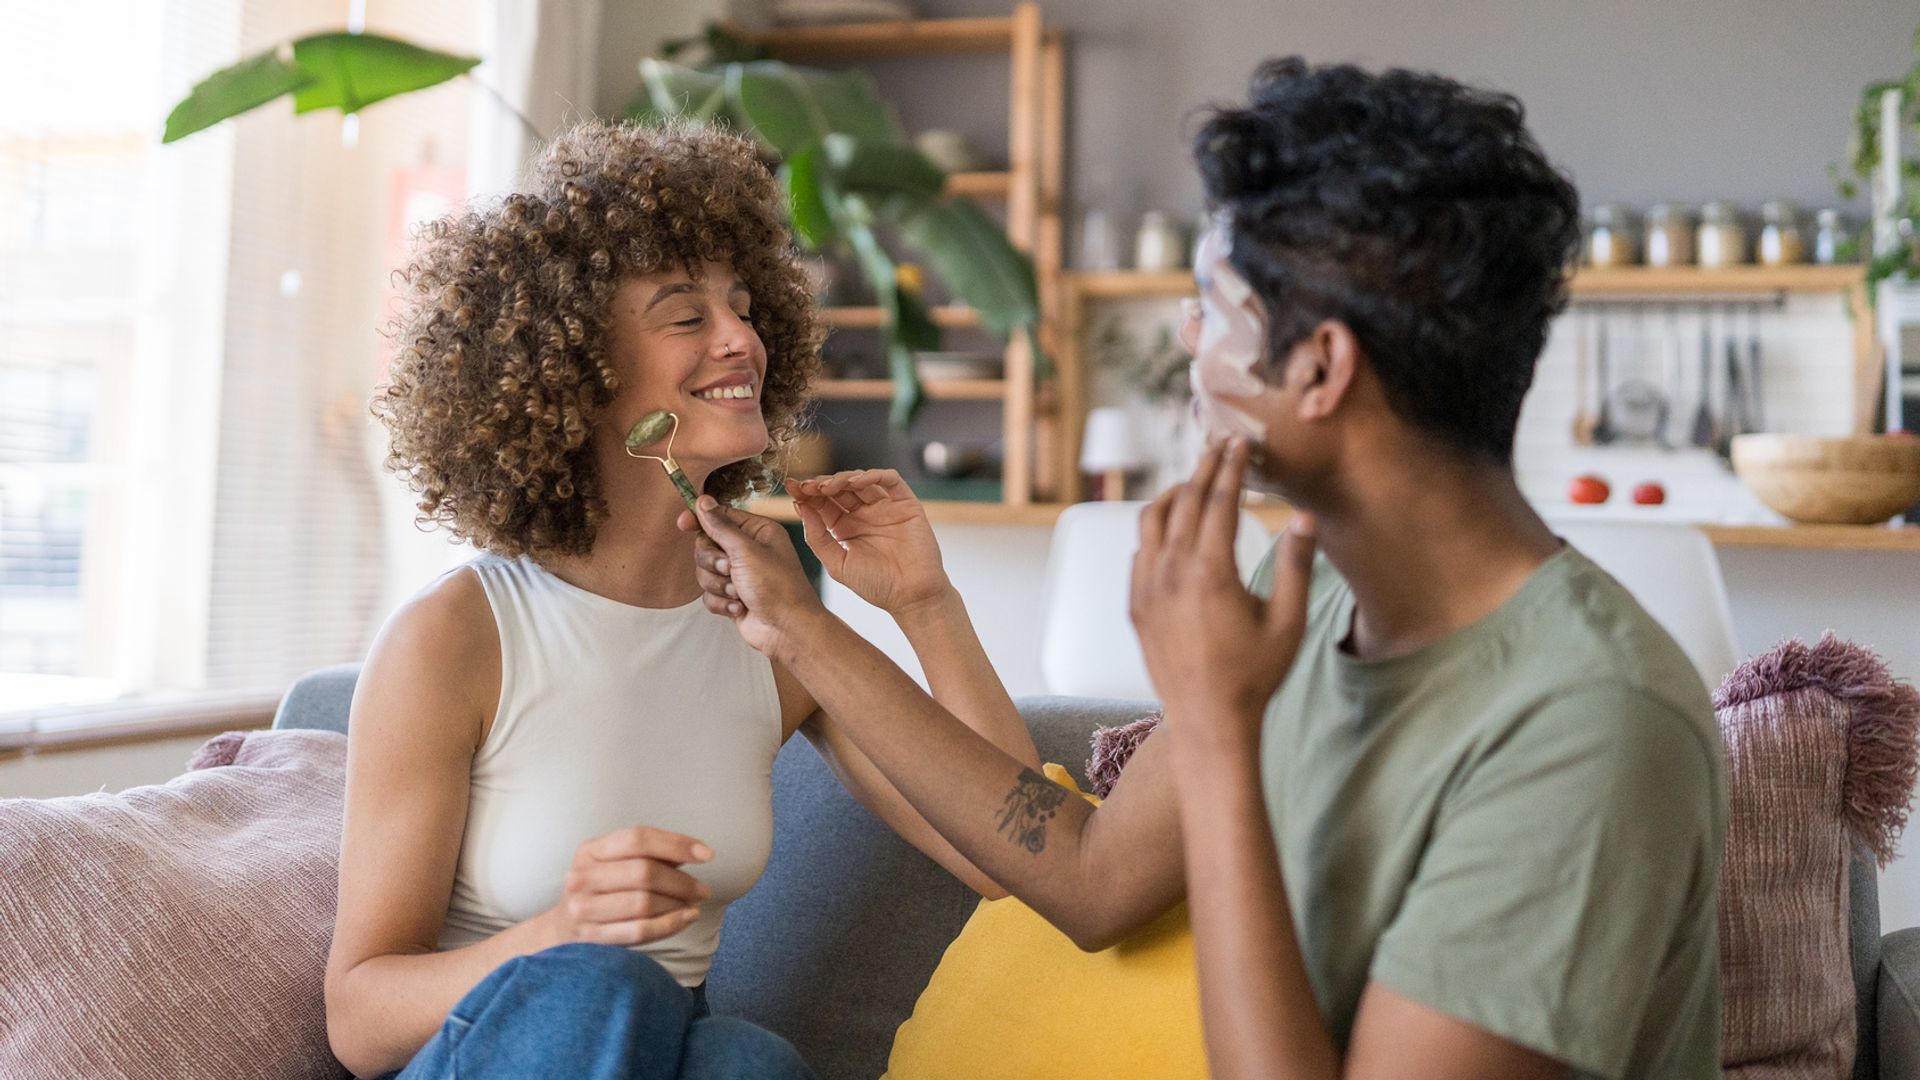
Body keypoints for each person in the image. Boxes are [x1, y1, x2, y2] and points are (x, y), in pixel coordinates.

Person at [682, 58, 1726, 1079]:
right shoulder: (1312, 585)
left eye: (1215, 308)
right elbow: (1089, 881)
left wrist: (1219, 727)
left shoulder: (1588, 725)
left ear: (1320, 369)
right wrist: (806, 629)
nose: (1187, 335)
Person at [322, 118, 1041, 1080]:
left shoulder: (774, 623)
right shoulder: (459, 638)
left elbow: (1012, 860)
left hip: (673, 1050)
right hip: (504, 1036)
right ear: (577, 371)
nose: (741, 338)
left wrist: (925, 601)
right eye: (685, 315)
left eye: (743, 307)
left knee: (751, 1063)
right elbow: (359, 1020)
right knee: (604, 989)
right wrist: (555, 935)